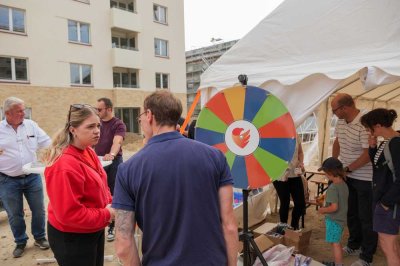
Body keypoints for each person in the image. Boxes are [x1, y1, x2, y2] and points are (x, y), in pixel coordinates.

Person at [112, 91, 239, 266]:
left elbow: (123, 245)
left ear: (149, 115)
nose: (140, 121)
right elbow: (230, 226)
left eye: (140, 115)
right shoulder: (215, 156)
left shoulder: (127, 169)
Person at [43, 104, 114, 266]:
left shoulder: (87, 150)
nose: (97, 131)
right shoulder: (63, 165)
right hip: (72, 237)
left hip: (92, 228)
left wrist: (110, 202)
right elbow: (69, 215)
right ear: (73, 129)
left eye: (98, 125)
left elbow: (101, 183)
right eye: (90, 126)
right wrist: (107, 214)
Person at [0, 97, 51, 258]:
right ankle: (20, 242)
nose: (24, 113)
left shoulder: (31, 125)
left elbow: (48, 142)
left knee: (39, 210)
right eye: (19, 111)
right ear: (7, 113)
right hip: (7, 179)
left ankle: (40, 237)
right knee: (14, 213)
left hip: (32, 177)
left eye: (24, 110)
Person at [331, 93, 377, 266]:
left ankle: (367, 256)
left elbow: (368, 155)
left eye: (334, 110)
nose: (333, 113)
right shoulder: (341, 122)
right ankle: (354, 244)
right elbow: (337, 141)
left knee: (366, 217)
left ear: (344, 108)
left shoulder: (364, 122)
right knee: (351, 213)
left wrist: (347, 169)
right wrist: (335, 163)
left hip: (365, 178)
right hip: (347, 175)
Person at [360, 108, 400, 266]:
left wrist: (385, 202)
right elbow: (380, 167)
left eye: (368, 128)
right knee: (390, 244)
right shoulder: (388, 142)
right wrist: (372, 148)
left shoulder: (396, 143)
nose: (367, 131)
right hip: (385, 200)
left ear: (377, 125)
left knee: (387, 245)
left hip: (389, 203)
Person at [95, 97, 126, 242]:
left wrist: (112, 154)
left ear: (109, 109)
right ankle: (99, 223)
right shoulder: (97, 123)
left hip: (113, 163)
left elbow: (117, 141)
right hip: (98, 162)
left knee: (113, 193)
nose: (97, 111)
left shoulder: (118, 124)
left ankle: (112, 227)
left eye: (99, 109)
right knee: (97, 193)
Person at [317, 157, 349, 266]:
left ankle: (338, 264)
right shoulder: (344, 184)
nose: (325, 175)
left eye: (325, 172)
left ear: (331, 172)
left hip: (334, 220)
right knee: (337, 242)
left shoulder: (332, 188)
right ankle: (337, 263)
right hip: (341, 219)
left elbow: (334, 207)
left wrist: (322, 210)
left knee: (335, 244)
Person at [272, 136, 306, 230]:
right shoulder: (275, 136)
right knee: (285, 202)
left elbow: (300, 152)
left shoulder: (296, 134)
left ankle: (293, 228)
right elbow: (270, 156)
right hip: (279, 174)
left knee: (300, 203)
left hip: (295, 174)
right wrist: (281, 171)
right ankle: (283, 229)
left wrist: (301, 162)